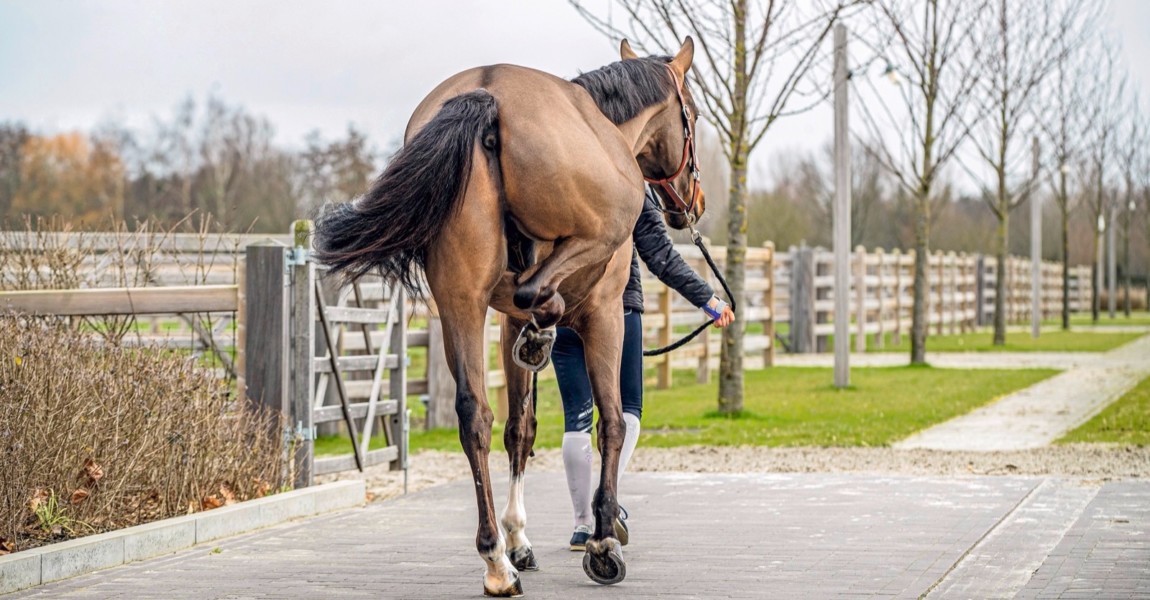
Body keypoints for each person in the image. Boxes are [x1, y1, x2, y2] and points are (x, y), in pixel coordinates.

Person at [552, 185, 735, 551]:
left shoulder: (563, 177)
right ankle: (606, 496)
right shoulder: (628, 182)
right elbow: (660, 256)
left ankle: (581, 526)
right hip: (616, 312)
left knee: (577, 418)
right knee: (629, 409)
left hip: (559, 309)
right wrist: (709, 301)